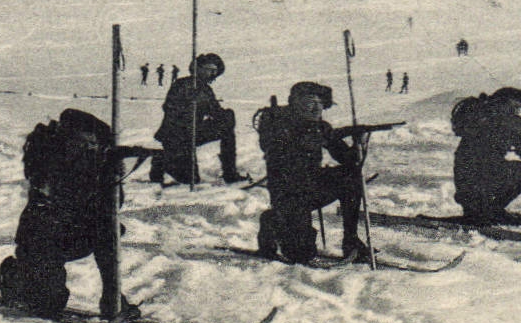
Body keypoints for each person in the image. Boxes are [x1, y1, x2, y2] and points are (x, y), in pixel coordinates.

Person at [0, 109, 140, 320]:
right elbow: (50, 203)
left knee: (109, 227)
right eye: (89, 145)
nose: (94, 150)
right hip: (41, 239)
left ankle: (112, 298)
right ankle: (13, 276)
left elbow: (112, 209)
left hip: (69, 235)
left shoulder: (93, 165)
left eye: (96, 146)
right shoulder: (47, 158)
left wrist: (112, 179)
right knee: (49, 305)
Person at [253, 82, 369, 263]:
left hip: (311, 188)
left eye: (321, 103)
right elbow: (281, 144)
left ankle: (351, 241)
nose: (316, 108)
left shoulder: (320, 127)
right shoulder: (277, 121)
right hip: (288, 195)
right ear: (295, 102)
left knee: (351, 176)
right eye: (309, 102)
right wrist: (324, 135)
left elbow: (346, 159)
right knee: (301, 254)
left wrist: (357, 144)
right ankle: (272, 221)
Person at [150, 52, 244, 185]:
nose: (212, 74)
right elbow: (169, 108)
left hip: (193, 133)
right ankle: (161, 160)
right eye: (209, 70)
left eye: (215, 71)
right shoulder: (181, 84)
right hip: (176, 136)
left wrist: (227, 116)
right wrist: (189, 106)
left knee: (227, 127)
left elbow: (216, 112)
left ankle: (230, 173)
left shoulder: (206, 90)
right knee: (190, 180)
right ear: (198, 68)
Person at [450, 87, 521, 225]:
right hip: (472, 177)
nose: (516, 112)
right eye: (514, 107)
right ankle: (486, 212)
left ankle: (491, 211)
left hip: (476, 178)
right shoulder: (484, 117)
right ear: (502, 103)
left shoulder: (507, 123)